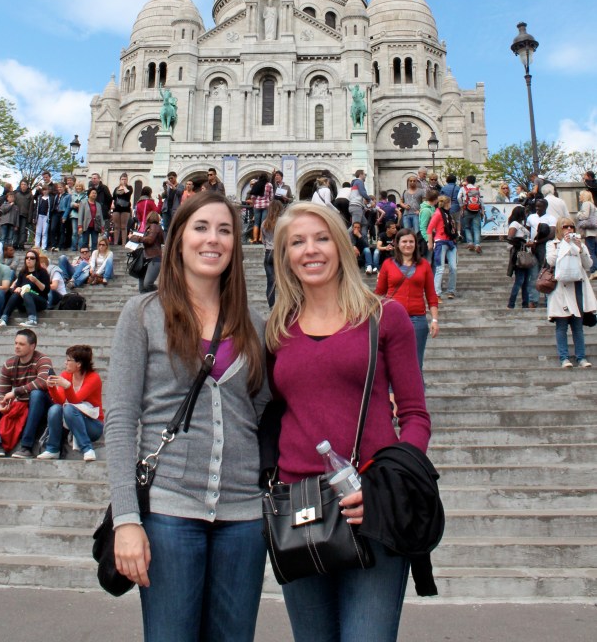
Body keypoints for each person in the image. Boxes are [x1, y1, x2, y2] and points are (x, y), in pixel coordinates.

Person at [105, 192, 268, 642]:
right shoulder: (142, 314)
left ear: (236, 244)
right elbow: (119, 421)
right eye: (200, 228)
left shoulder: (253, 323)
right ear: (178, 240)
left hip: (243, 519)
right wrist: (127, 519)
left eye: (224, 230)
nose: (212, 239)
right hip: (168, 512)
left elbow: (261, 412)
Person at [266, 203, 430, 642]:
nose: (310, 250)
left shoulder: (384, 315)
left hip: (370, 509)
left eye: (321, 238)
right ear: (284, 256)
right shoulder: (276, 329)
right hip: (298, 510)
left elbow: (414, 415)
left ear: (341, 244)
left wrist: (388, 486)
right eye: (296, 242)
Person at [0, 328, 52, 458]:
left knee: (36, 394)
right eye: (16, 343)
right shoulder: (9, 364)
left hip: (39, 407)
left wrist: (16, 392)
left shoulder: (42, 360)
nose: (17, 347)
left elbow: (43, 381)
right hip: (18, 407)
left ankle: (26, 447)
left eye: (21, 344)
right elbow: (2, 391)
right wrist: (1, 402)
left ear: (32, 346)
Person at [376, 227, 440, 370]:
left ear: (416, 244)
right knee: (392, 363)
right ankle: (392, 393)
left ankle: (416, 392)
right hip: (393, 319)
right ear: (397, 243)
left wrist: (434, 320)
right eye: (404, 241)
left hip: (417, 319)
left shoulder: (424, 265)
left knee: (416, 364)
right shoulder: (388, 264)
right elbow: (379, 293)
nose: (408, 244)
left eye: (411, 241)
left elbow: (431, 295)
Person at [546, 218, 597, 369]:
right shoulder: (553, 244)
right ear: (559, 229)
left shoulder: (579, 243)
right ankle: (564, 357)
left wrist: (580, 248)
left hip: (577, 288)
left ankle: (581, 357)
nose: (569, 229)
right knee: (561, 325)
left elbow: (589, 264)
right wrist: (564, 244)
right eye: (565, 226)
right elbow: (550, 261)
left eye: (571, 226)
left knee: (577, 326)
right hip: (561, 289)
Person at [38, 345, 104, 461]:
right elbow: (60, 402)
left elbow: (75, 400)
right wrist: (52, 387)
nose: (65, 363)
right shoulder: (66, 375)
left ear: (78, 364)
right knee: (55, 409)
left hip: (93, 424)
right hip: (73, 420)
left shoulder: (94, 378)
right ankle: (53, 449)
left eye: (68, 360)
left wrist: (67, 386)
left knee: (69, 409)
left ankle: (87, 448)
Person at [0, 249, 50, 328]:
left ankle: (32, 319)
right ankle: (4, 317)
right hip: (24, 302)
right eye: (27, 258)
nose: (29, 259)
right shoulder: (23, 272)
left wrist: (36, 281)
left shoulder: (42, 272)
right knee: (16, 294)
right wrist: (17, 288)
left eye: (32, 258)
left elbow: (46, 290)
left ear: (36, 260)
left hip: (40, 301)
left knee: (27, 294)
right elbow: (18, 285)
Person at [427, 195, 458, 300]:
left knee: (453, 267)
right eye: (449, 203)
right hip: (441, 241)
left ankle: (451, 290)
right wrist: (430, 243)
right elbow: (429, 229)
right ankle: (437, 293)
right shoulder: (438, 213)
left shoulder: (449, 214)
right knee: (440, 268)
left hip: (451, 241)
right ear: (446, 203)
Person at [506, 206, 533, 310]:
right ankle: (511, 303)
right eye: (524, 213)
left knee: (526, 281)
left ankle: (525, 304)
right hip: (519, 254)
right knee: (520, 280)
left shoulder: (522, 225)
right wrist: (521, 242)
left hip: (526, 254)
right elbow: (510, 238)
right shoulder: (514, 224)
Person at [133, 211, 164, 293]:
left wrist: (135, 238)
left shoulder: (154, 226)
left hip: (153, 258)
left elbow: (150, 240)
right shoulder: (153, 227)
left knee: (147, 284)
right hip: (148, 257)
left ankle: (162, 293)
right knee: (142, 286)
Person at [261, 199, 285, 308]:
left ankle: (271, 306)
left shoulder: (264, 223)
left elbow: (263, 240)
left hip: (268, 253)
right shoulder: (283, 222)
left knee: (270, 282)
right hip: (280, 252)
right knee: (285, 280)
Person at [459, 175, 484, 253]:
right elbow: (481, 200)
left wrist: (462, 205)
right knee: (476, 228)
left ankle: (470, 243)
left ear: (466, 180)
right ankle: (477, 245)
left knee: (467, 227)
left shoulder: (463, 188)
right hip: (476, 210)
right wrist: (482, 210)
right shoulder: (477, 189)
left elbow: (458, 197)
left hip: (467, 209)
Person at [575, 189, 597, 275]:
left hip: (589, 232)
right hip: (594, 231)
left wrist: (578, 214)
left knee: (590, 251)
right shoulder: (592, 205)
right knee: (594, 250)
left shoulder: (586, 204)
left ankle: (594, 270)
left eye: (580, 195)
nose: (579, 197)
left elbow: (585, 215)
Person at [249, 171, 273, 243]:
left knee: (256, 223)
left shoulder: (257, 184)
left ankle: (255, 239)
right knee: (263, 222)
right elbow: (271, 197)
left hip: (257, 206)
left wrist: (254, 203)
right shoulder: (269, 185)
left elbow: (253, 196)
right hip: (266, 205)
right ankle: (261, 238)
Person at [78, 188, 104, 252]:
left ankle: (93, 257)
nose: (94, 194)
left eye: (95, 193)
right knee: (85, 242)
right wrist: (80, 226)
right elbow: (80, 215)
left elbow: (101, 216)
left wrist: (102, 227)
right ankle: (85, 257)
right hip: (86, 225)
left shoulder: (98, 204)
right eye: (93, 193)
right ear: (89, 194)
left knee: (95, 243)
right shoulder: (83, 202)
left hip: (95, 226)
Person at [111, 173, 134, 245]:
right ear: (120, 180)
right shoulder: (116, 189)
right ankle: (115, 242)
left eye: (125, 179)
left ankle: (124, 243)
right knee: (116, 226)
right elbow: (114, 198)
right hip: (117, 208)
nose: (123, 180)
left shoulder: (129, 187)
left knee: (124, 226)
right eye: (122, 179)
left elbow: (128, 193)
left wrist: (124, 186)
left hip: (125, 208)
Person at [14, 179, 34, 249]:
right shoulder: (16, 194)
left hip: (25, 215)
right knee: (16, 230)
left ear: (27, 186)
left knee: (23, 231)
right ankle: (15, 244)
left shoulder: (30, 195)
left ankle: (21, 245)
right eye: (22, 184)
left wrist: (30, 218)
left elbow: (31, 207)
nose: (23, 186)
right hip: (17, 215)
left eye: (25, 184)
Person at [69, 180, 87, 250]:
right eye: (77, 186)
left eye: (80, 186)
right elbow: (71, 203)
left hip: (82, 215)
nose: (78, 188)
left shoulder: (85, 195)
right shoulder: (73, 195)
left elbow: (85, 203)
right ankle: (73, 247)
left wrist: (80, 205)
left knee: (81, 232)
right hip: (74, 214)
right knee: (74, 232)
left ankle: (80, 247)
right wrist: (75, 204)